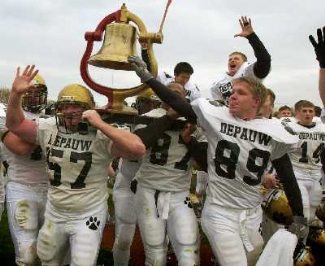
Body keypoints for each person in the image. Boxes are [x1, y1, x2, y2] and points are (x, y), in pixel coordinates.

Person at [128, 55, 307, 266]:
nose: (233, 96)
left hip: (252, 212)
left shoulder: (273, 131)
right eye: (232, 92)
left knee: (253, 259)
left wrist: (299, 215)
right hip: (220, 211)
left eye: (241, 93)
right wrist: (148, 78)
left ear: (256, 101)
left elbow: (287, 175)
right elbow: (177, 102)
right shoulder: (215, 116)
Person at [5, 65, 146, 266]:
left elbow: (138, 149)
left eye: (76, 106)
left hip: (87, 212)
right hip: (55, 211)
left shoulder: (101, 134)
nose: (69, 111)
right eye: (64, 106)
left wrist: (101, 124)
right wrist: (16, 94)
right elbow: (15, 125)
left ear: (88, 109)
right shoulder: (49, 127)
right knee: (47, 261)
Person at [132, 82, 200, 266]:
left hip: (180, 193)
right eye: (168, 93)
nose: (172, 96)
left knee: (189, 253)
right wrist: (168, 118)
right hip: (149, 191)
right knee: (156, 255)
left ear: (185, 98)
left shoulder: (195, 119)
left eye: (177, 93)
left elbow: (205, 161)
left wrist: (190, 140)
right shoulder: (148, 117)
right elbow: (139, 144)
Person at [1, 73, 49, 266]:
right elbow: (20, 148)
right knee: (27, 255)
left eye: (38, 93)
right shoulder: (8, 118)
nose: (33, 97)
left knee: (50, 252)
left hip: (51, 191)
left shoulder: (51, 118)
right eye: (29, 92)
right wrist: (48, 127)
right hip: (22, 187)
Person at [210, 16, 271, 104]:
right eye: (230, 59)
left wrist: (251, 36)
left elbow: (264, 60)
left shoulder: (248, 73)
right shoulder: (217, 85)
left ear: (244, 63)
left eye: (236, 59)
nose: (232, 60)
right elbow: (220, 106)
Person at [286, 100, 325, 225]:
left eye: (310, 111)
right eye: (304, 111)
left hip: (315, 175)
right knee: (303, 213)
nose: (308, 114)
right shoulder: (290, 128)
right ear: (297, 113)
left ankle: (302, 242)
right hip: (297, 174)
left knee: (312, 216)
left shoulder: (322, 128)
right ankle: (297, 242)